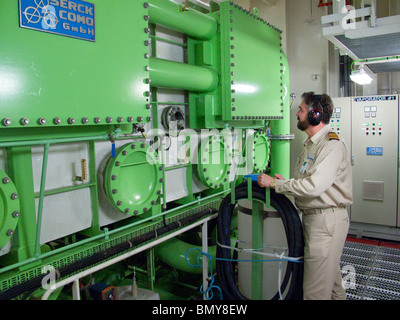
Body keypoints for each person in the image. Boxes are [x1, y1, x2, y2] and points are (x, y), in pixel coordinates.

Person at [257, 92, 352, 300]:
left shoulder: (330, 145)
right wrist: (283, 183)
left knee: (314, 293)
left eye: (300, 110)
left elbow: (314, 186)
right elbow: (309, 180)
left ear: (315, 115)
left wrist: (275, 183)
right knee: (333, 283)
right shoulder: (312, 144)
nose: (297, 114)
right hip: (316, 219)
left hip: (325, 222)